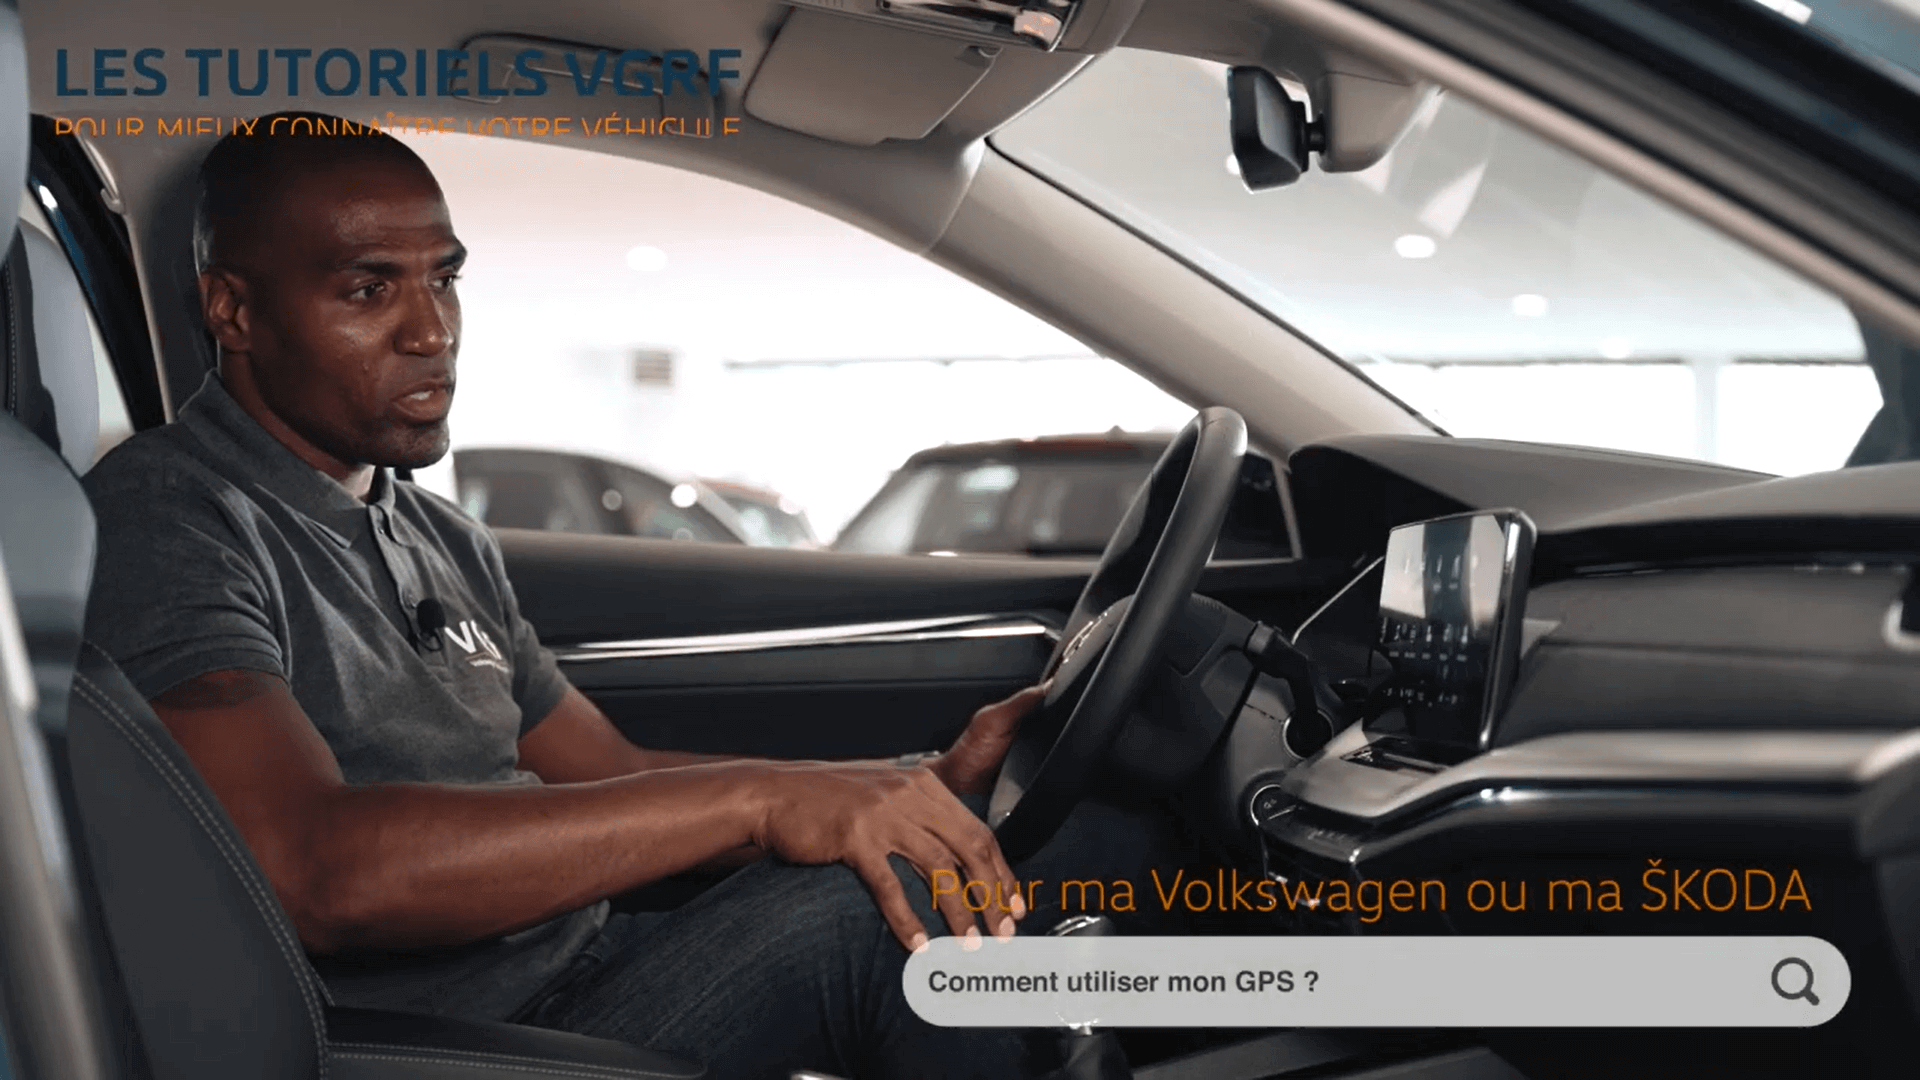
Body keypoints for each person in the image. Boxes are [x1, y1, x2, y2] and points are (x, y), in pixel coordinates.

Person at [80, 112, 1173, 1079]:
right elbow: (315, 870)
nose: (432, 331)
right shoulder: (171, 517)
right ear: (232, 310)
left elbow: (609, 776)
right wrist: (763, 799)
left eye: (444, 280)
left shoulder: (438, 535)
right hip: (452, 1043)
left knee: (1099, 847)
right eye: (369, 289)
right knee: (898, 923)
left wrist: (908, 782)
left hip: (593, 965)